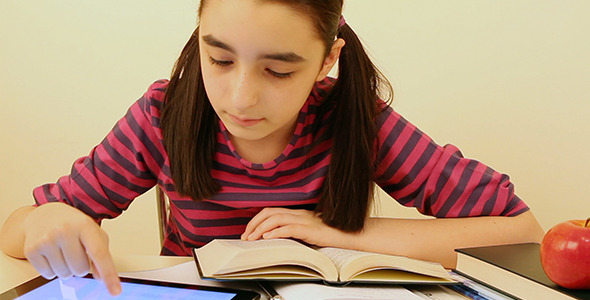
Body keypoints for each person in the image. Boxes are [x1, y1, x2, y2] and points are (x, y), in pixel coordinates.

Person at [0, 0, 545, 296]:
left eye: (279, 69)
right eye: (218, 59)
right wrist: (48, 220)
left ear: (328, 60)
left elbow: (519, 230)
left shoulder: (355, 119)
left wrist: (335, 233)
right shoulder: (163, 116)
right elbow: (16, 230)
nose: (240, 97)